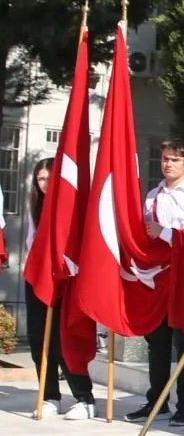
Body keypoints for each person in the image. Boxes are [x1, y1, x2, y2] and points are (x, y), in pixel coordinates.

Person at [128, 139, 184, 426]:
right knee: (156, 341)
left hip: (183, 276)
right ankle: (157, 401)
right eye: (164, 159)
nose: (168, 164)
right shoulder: (152, 195)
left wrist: (167, 233)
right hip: (157, 278)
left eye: (174, 159)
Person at [21, 157, 96, 418]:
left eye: (48, 179)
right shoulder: (36, 207)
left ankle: (84, 398)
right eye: (39, 179)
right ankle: (50, 396)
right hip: (38, 277)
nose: (43, 184)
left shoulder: (70, 207)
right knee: (37, 339)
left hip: (65, 279)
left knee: (64, 340)